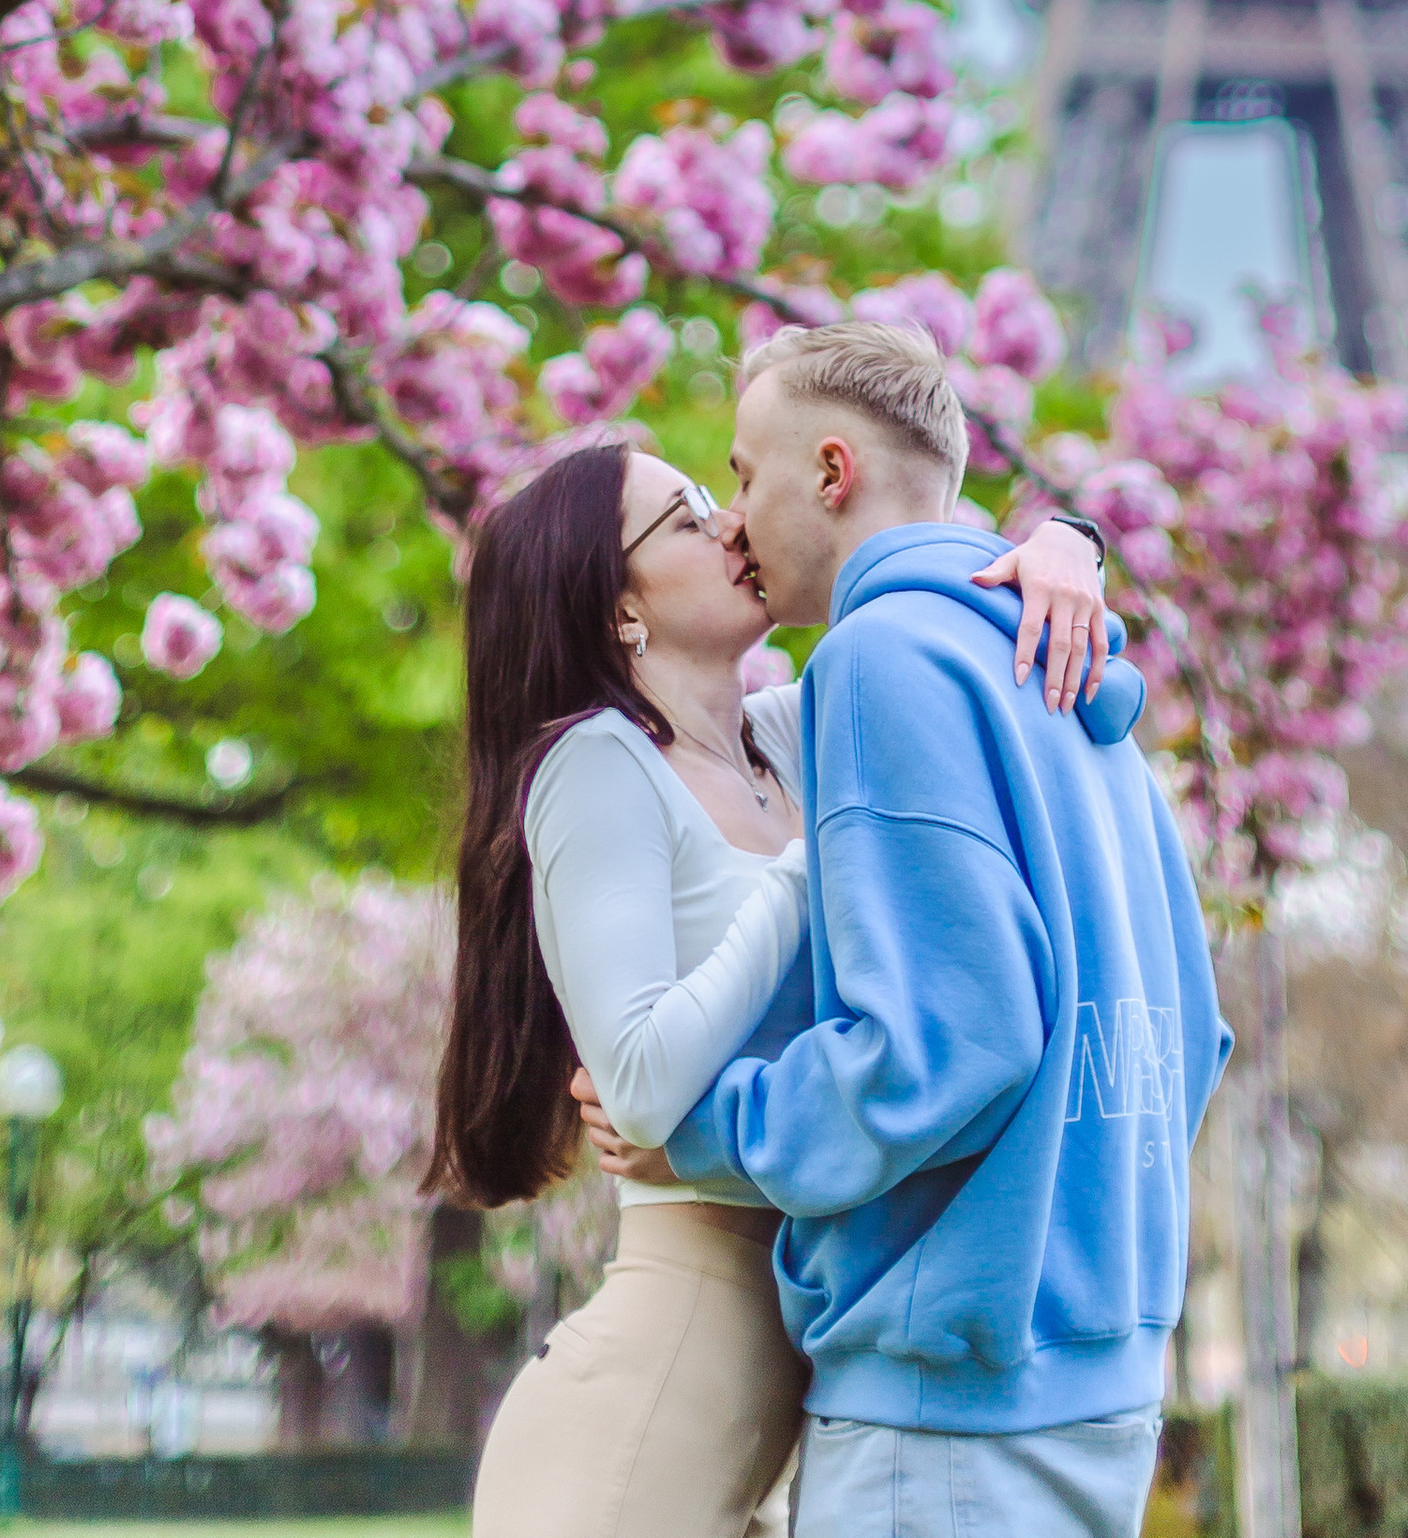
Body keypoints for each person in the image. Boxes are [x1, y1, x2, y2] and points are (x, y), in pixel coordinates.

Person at [576, 320, 1229, 1538]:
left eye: (740, 473)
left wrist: (706, 1133)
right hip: (1104, 1366)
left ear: (829, 472)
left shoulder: (879, 661)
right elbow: (1193, 1032)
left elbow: (943, 1050)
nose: (730, 519)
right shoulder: (1070, 680)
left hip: (947, 1403)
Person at [431, 429, 1114, 1538]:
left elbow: (939, 605)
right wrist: (803, 874)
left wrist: (1066, 546)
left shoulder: (790, 737)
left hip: (779, 1404)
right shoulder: (597, 763)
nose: (731, 525)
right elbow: (641, 1087)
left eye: (717, 494)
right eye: (686, 514)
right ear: (618, 610)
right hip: (640, 1420)